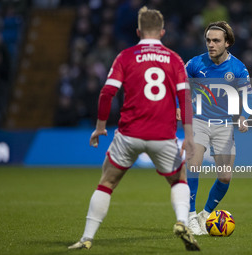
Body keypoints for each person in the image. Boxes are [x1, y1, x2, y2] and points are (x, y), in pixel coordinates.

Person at [68, 6, 200, 251]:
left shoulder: (125, 56)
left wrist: (99, 127)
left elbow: (107, 92)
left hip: (129, 134)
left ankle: (87, 238)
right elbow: (186, 100)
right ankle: (182, 222)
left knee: (106, 183)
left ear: (138, 30)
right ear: (162, 31)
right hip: (163, 135)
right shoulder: (174, 59)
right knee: (178, 180)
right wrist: (189, 137)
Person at [177, 21, 252, 235]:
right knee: (193, 165)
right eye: (208, 40)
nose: (211, 44)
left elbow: (248, 97)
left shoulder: (238, 68)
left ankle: (205, 214)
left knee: (225, 177)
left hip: (224, 125)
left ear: (227, 43)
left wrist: (243, 117)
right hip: (199, 121)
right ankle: (191, 216)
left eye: (216, 41)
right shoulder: (195, 63)